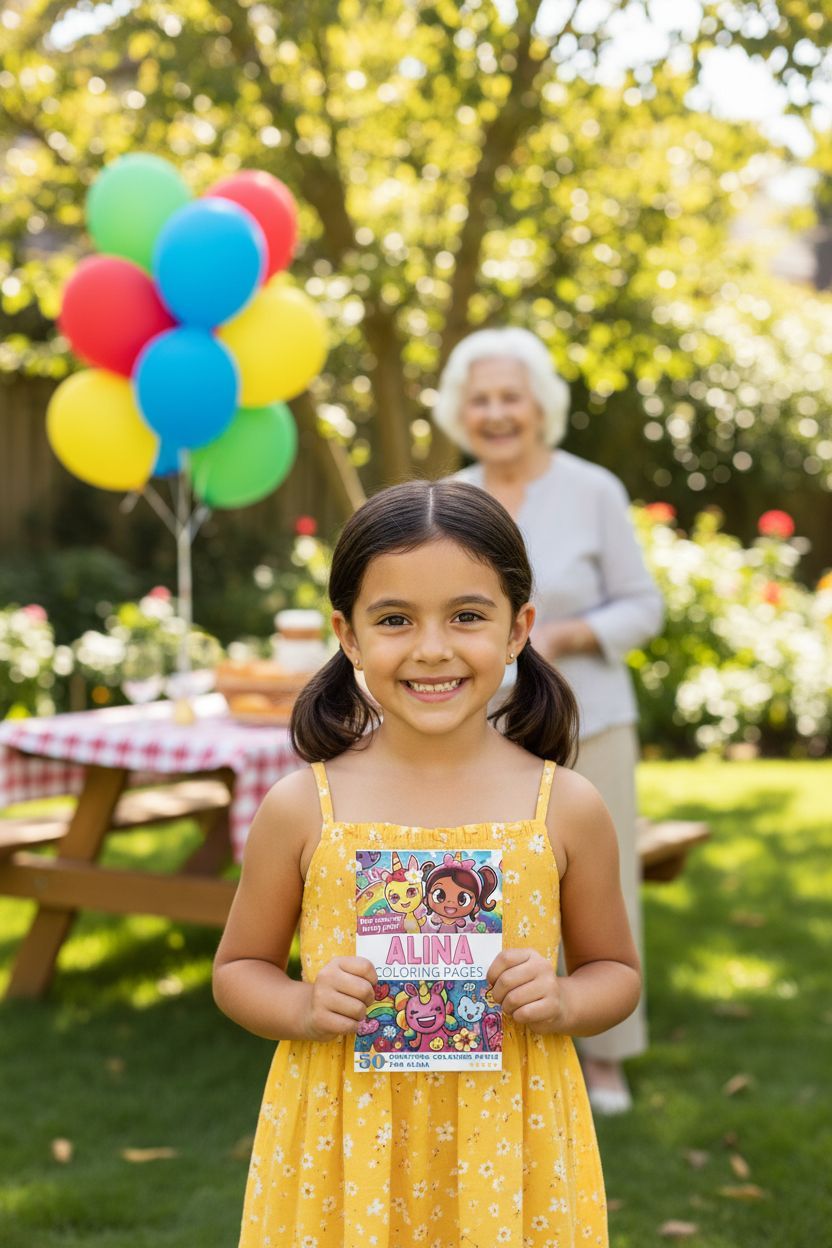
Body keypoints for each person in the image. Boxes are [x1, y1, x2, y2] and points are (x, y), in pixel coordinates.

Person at [213, 479, 641, 1247]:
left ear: (519, 629)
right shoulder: (303, 808)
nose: (433, 648)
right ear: (347, 635)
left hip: (512, 1144)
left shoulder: (566, 808)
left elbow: (617, 970)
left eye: (468, 616)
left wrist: (568, 1001)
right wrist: (303, 1008)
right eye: (395, 619)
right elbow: (239, 967)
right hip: (342, 1145)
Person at [433, 328, 664, 1114]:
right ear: (461, 413)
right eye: (481, 399)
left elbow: (645, 605)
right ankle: (486, 1036)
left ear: (539, 408)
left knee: (603, 889)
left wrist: (559, 635)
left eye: (510, 397)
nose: (496, 414)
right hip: (482, 731)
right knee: (492, 886)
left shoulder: (591, 489)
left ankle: (606, 1058)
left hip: (588, 720)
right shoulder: (452, 499)